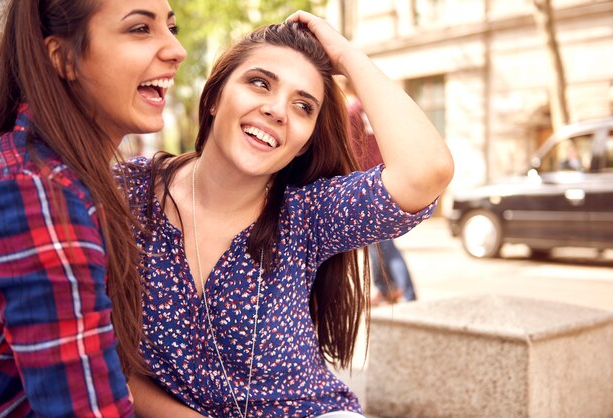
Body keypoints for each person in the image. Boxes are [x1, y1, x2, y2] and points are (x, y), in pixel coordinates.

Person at [121, 11, 453, 417]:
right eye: (259, 83)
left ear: (302, 143)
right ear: (213, 98)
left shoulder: (308, 215)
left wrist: (348, 57)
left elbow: (426, 171)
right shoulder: (128, 193)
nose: (278, 111)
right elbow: (103, 355)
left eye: (303, 106)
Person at [0, 0, 187, 416]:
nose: (175, 49)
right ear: (63, 58)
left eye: (172, 27)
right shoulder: (37, 189)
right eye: (139, 29)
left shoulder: (66, 175)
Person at [342, 79, 417, 305]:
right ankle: (385, 289)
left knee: (384, 244)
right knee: (376, 243)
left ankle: (407, 293)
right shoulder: (374, 110)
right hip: (385, 177)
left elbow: (352, 148)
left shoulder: (352, 111)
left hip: (367, 182)